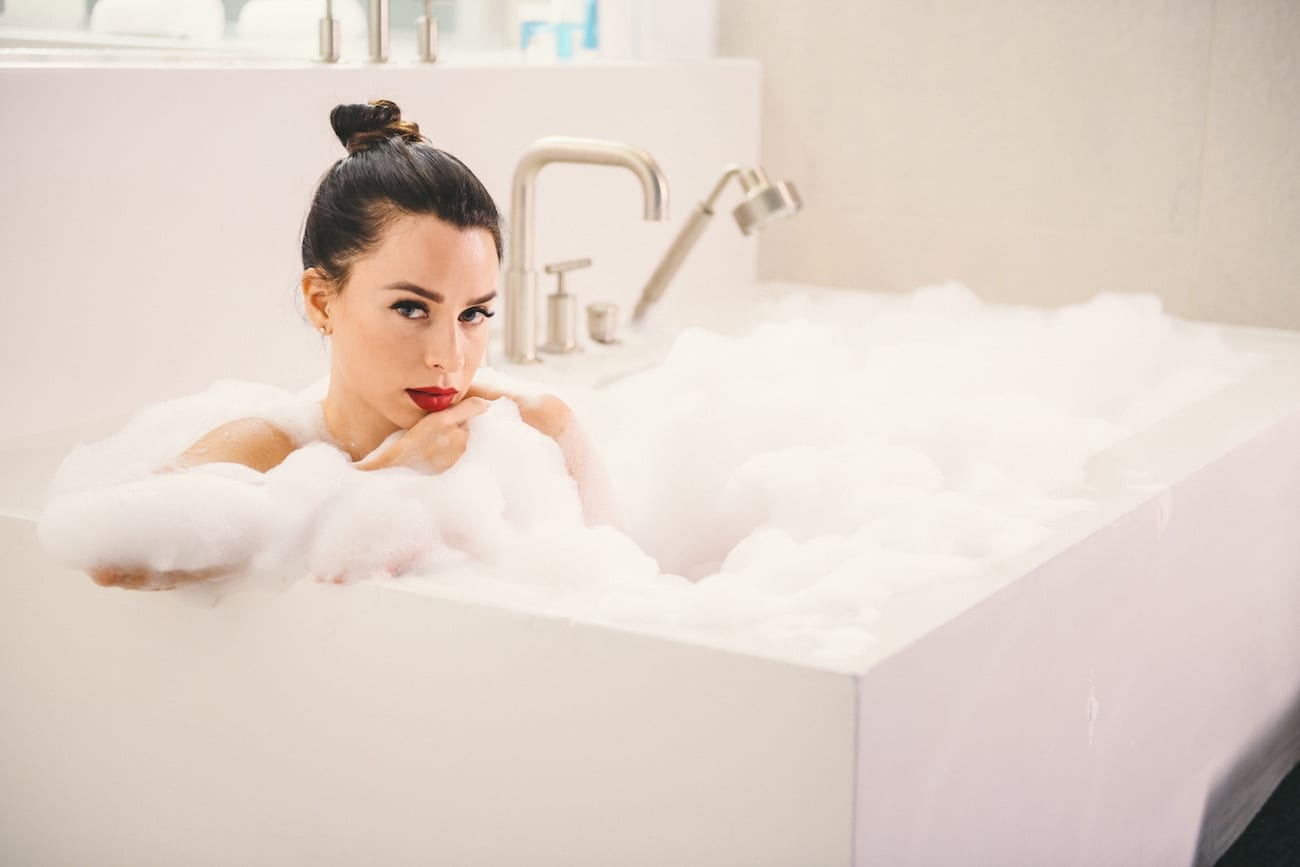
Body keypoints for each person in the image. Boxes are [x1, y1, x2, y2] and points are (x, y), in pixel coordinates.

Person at [90, 99, 605, 590]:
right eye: (411, 308)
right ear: (320, 302)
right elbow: (106, 557)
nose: (449, 357)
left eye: (473, 313)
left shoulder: (536, 431)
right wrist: (387, 478)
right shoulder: (267, 452)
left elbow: (622, 593)